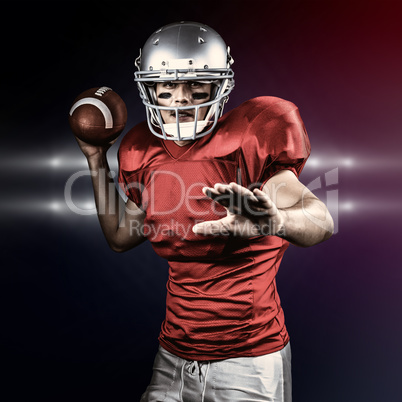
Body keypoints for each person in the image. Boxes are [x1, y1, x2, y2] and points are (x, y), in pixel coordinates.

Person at [74, 21, 333, 402]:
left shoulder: (254, 134)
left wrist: (276, 221)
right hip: (172, 355)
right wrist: (96, 159)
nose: (181, 99)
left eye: (196, 85)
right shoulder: (141, 151)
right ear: (149, 89)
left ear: (221, 85)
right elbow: (120, 237)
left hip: (248, 358)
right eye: (167, 87)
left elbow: (321, 219)